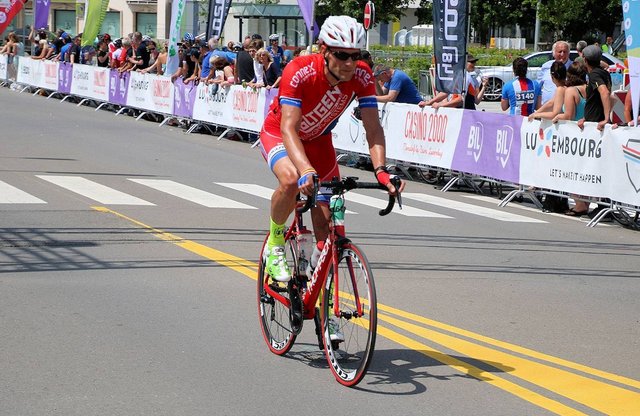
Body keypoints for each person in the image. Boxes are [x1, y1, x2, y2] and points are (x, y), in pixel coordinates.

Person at [259, 15, 404, 286]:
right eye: (341, 55)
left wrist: (382, 171)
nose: (350, 63)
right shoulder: (299, 70)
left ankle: (315, 280)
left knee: (327, 226)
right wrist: (305, 170)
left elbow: (373, 129)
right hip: (280, 133)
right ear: (324, 51)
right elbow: (290, 128)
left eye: (355, 55)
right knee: (291, 180)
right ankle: (275, 244)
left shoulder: (361, 75)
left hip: (319, 142)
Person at [578, 45, 612, 220]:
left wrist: (605, 118)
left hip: (597, 127)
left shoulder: (595, 75)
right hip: (593, 123)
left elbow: (604, 93)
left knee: (598, 167)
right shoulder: (603, 73)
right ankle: (603, 204)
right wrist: (586, 117)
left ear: (584, 59)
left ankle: (603, 206)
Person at [552, 62, 589, 216]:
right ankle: (585, 202)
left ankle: (580, 204)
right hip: (589, 132)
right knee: (586, 170)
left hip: (574, 134)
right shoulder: (590, 88)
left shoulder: (571, 91)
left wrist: (557, 116)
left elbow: (569, 115)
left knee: (572, 170)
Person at [537, 41, 572, 105]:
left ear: (568, 53)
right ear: (554, 53)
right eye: (560, 51)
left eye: (565, 52)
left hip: (566, 110)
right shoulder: (546, 66)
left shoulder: (574, 68)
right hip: (546, 109)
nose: (562, 54)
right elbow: (538, 87)